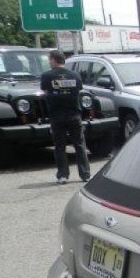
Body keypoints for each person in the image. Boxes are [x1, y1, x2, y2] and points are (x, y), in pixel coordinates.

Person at [40, 50, 90, 184]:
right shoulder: (75, 75)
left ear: (53, 60)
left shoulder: (46, 76)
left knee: (59, 146)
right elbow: (77, 91)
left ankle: (62, 175)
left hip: (56, 115)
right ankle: (85, 174)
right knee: (79, 145)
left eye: (49, 60)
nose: (49, 62)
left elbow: (46, 93)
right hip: (74, 114)